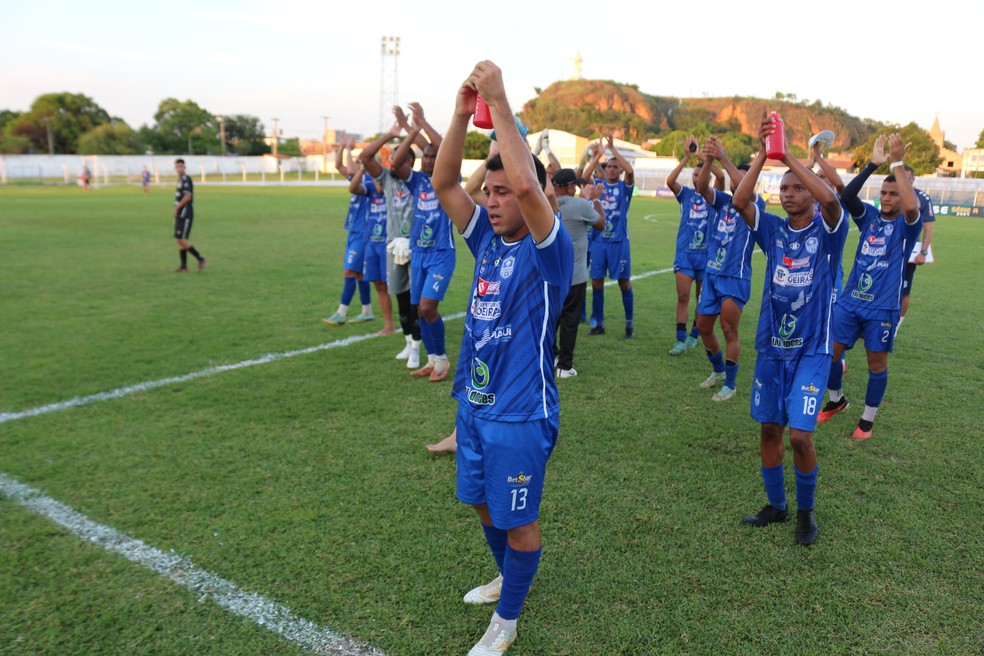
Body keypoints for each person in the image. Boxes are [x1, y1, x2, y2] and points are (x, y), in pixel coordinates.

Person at [431, 60, 573, 656]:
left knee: (518, 521)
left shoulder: (550, 250)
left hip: (520, 415)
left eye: (501, 193)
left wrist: (502, 104)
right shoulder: (486, 238)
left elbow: (525, 186)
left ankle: (507, 623)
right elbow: (443, 186)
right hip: (475, 406)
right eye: (486, 192)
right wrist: (464, 114)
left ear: (530, 195)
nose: (491, 202)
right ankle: (506, 582)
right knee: (485, 509)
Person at [732, 116, 848, 546]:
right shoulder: (774, 229)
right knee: (769, 430)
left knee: (801, 434)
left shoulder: (829, 230)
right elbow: (740, 199)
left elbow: (833, 199)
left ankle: (806, 513)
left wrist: (792, 157)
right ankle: (776, 506)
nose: (788, 193)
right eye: (784, 188)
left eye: (797, 187)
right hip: (771, 347)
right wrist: (766, 153)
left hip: (812, 351)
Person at [816, 134, 922, 440]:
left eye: (893, 193)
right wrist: (874, 164)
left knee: (877, 364)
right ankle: (837, 400)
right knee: (830, 354)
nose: (887, 198)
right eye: (884, 193)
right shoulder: (870, 218)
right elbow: (847, 197)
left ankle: (867, 421)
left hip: (881, 309)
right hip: (850, 303)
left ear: (903, 196)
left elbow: (913, 207)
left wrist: (898, 162)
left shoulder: (907, 225)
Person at [693, 137, 763, 401]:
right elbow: (701, 188)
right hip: (712, 275)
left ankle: (730, 385)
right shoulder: (722, 201)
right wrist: (709, 159)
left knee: (729, 328)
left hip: (735, 277)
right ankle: (719, 371)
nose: (738, 183)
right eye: (737, 179)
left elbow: (748, 192)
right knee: (703, 326)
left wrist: (724, 157)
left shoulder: (755, 206)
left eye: (744, 180)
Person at [391, 103, 455, 382]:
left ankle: (442, 360)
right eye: (426, 156)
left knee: (428, 307)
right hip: (419, 253)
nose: (429, 160)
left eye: (433, 156)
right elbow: (395, 162)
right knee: (419, 309)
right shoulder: (416, 181)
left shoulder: (447, 179)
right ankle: (433, 359)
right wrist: (410, 130)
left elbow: (441, 144)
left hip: (441, 252)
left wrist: (423, 122)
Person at [359, 117, 423, 368]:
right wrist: (390, 135)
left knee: (416, 299)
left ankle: (418, 346)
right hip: (392, 246)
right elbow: (365, 158)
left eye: (398, 157)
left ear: (409, 161)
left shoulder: (420, 180)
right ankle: (408, 342)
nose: (392, 161)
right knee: (401, 297)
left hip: (417, 247)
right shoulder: (387, 179)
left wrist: (412, 132)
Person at [581, 135, 636, 338]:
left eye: (615, 167)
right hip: (598, 242)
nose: (612, 169)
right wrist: (597, 156)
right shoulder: (598, 186)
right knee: (596, 282)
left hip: (619, 243)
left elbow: (630, 171)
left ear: (620, 170)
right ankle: (598, 324)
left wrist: (612, 149)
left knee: (624, 283)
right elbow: (584, 177)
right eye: (609, 166)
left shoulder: (625, 188)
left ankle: (629, 325)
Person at [553, 168, 605, 377]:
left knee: (550, 320)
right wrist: (595, 200)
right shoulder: (580, 205)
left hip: (549, 273)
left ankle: (552, 356)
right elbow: (600, 224)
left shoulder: (546, 203)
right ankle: (565, 366)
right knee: (569, 320)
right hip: (574, 275)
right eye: (574, 184)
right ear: (568, 187)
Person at [666, 135, 713, 355]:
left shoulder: (715, 196)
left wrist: (704, 157)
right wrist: (686, 157)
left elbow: (720, 175)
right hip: (685, 253)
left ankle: (695, 334)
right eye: (695, 174)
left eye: (701, 174)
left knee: (701, 299)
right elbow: (669, 181)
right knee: (683, 296)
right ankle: (680, 339)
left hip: (706, 255)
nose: (697, 178)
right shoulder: (685, 195)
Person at [324, 139, 374, 325]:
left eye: (362, 161)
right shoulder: (358, 179)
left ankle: (341, 313)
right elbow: (338, 165)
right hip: (353, 231)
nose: (358, 164)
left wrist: (347, 150)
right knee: (359, 274)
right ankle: (367, 311)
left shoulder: (368, 180)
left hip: (363, 233)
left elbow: (352, 170)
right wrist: (343, 149)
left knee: (349, 272)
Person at [348, 163, 396, 335]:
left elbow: (381, 189)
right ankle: (389, 326)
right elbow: (352, 188)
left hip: (389, 243)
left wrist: (377, 174)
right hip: (372, 244)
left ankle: (414, 325)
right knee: (379, 285)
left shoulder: (391, 187)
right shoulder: (368, 187)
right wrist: (362, 169)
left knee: (400, 287)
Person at [898, 164, 936, 332]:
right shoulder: (891, 194)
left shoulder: (922, 198)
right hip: (887, 250)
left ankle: (895, 329)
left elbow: (928, 227)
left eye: (907, 178)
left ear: (913, 179)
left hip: (910, 252)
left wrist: (924, 252)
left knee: (903, 291)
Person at [172, 158, 206, 272]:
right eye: (177, 166)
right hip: (180, 213)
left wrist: (177, 207)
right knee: (180, 239)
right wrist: (175, 212)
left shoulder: (187, 179)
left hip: (185, 212)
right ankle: (183, 266)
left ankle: (200, 258)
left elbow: (187, 197)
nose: (179, 168)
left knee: (180, 239)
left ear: (184, 167)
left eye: (181, 166)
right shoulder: (180, 180)